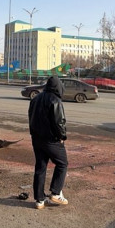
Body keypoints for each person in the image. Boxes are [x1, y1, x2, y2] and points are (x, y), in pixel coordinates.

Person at [27, 75, 69, 210]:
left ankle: (39, 200)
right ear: (58, 87)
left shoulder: (35, 99)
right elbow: (59, 122)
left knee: (40, 167)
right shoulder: (56, 100)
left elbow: (30, 117)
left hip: (36, 139)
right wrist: (62, 136)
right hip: (51, 140)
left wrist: (33, 134)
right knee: (62, 163)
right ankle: (56, 193)